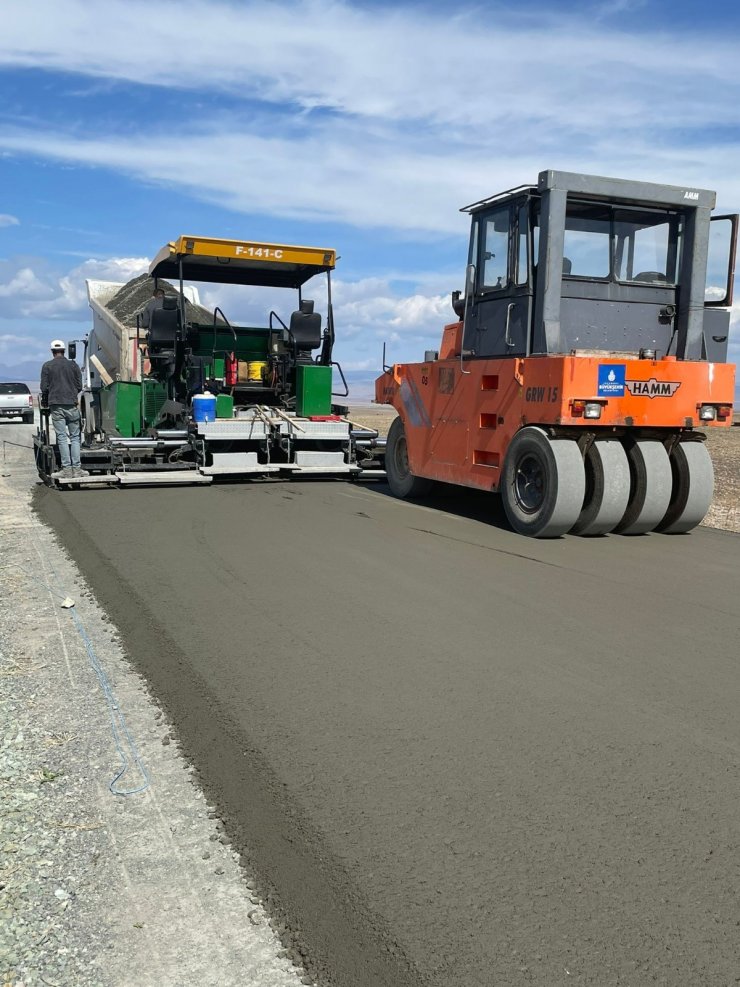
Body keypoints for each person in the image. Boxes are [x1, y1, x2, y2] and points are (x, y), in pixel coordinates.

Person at [40, 340, 88, 480]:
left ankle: (66, 470)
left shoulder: (47, 366)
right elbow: (79, 385)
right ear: (64, 351)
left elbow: (44, 387)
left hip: (55, 405)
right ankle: (77, 469)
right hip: (71, 404)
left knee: (61, 437)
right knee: (75, 437)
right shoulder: (73, 365)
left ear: (52, 352)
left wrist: (47, 398)